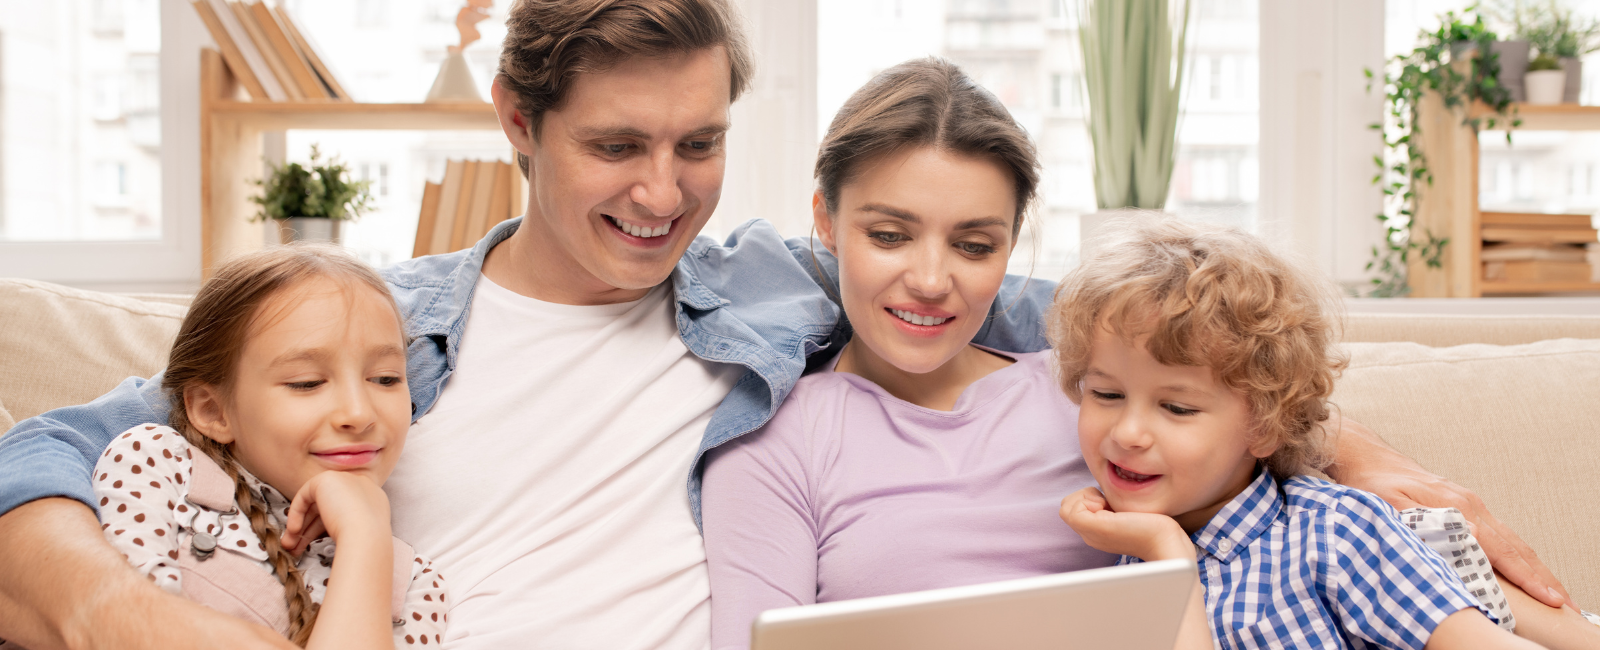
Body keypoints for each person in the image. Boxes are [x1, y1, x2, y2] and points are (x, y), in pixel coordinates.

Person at [0, 2, 1571, 649]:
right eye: (617, 147)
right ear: (517, 123)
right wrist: (112, 610)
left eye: (696, 146)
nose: (660, 194)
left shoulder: (780, 288)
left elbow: (1144, 343)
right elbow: (58, 443)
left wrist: (1367, 451)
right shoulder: (378, 326)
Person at [701, 58, 1114, 650]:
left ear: (1010, 244)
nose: (929, 280)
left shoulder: (1089, 398)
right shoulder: (774, 444)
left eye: (973, 246)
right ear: (827, 220)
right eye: (890, 236)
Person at [1053, 218, 1600, 650]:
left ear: (1265, 424)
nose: (1127, 433)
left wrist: (1168, 558)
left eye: (1175, 407)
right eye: (1105, 394)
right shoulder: (1125, 550)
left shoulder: (1335, 533)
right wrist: (1164, 550)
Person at [86, 246, 448, 649]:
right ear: (213, 410)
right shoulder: (156, 463)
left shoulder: (414, 583)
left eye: (385, 379)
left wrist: (364, 533)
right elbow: (125, 629)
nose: (359, 414)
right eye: (306, 383)